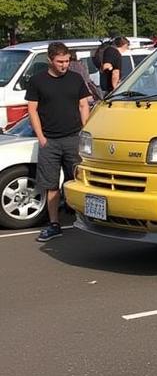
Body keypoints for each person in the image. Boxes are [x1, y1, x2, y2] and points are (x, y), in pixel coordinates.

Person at [26, 42, 91, 241]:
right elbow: (32, 110)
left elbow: (83, 105)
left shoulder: (76, 78)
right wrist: (41, 137)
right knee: (51, 185)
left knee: (79, 181)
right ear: (50, 60)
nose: (64, 65)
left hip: (73, 138)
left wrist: (84, 132)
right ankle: (54, 224)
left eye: (67, 61)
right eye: (60, 61)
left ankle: (85, 219)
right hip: (50, 141)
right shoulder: (37, 81)